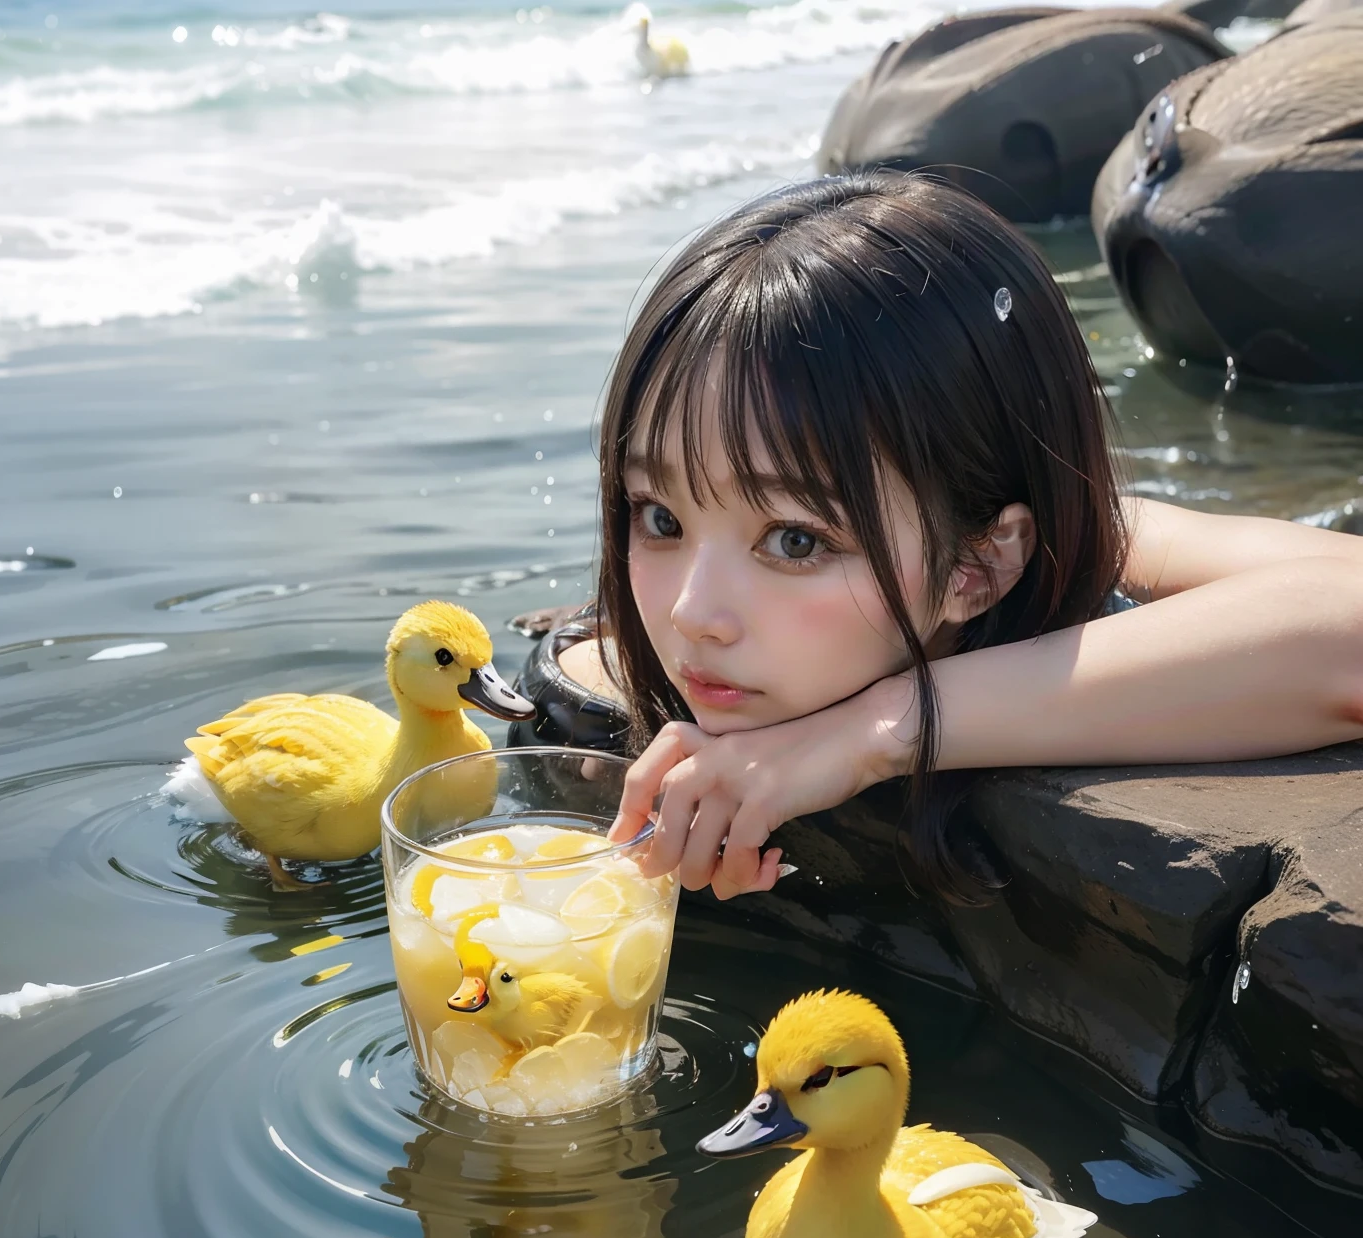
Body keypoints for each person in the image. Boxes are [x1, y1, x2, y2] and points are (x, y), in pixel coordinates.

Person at [535, 173, 1363, 900]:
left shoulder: (1099, 562)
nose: (691, 613)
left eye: (794, 540)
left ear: (981, 566)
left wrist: (872, 733)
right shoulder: (595, 683)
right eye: (662, 518)